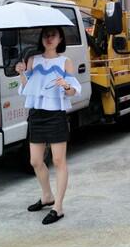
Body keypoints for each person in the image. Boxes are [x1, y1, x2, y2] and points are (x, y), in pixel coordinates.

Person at [15, 26, 81, 225]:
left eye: (53, 35)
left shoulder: (65, 62)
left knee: (59, 161)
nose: (49, 38)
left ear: (60, 38)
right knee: (35, 161)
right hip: (36, 113)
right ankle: (47, 196)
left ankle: (58, 207)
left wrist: (66, 86)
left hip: (56, 115)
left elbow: (72, 91)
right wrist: (21, 73)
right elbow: (27, 88)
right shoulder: (33, 60)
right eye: (46, 35)